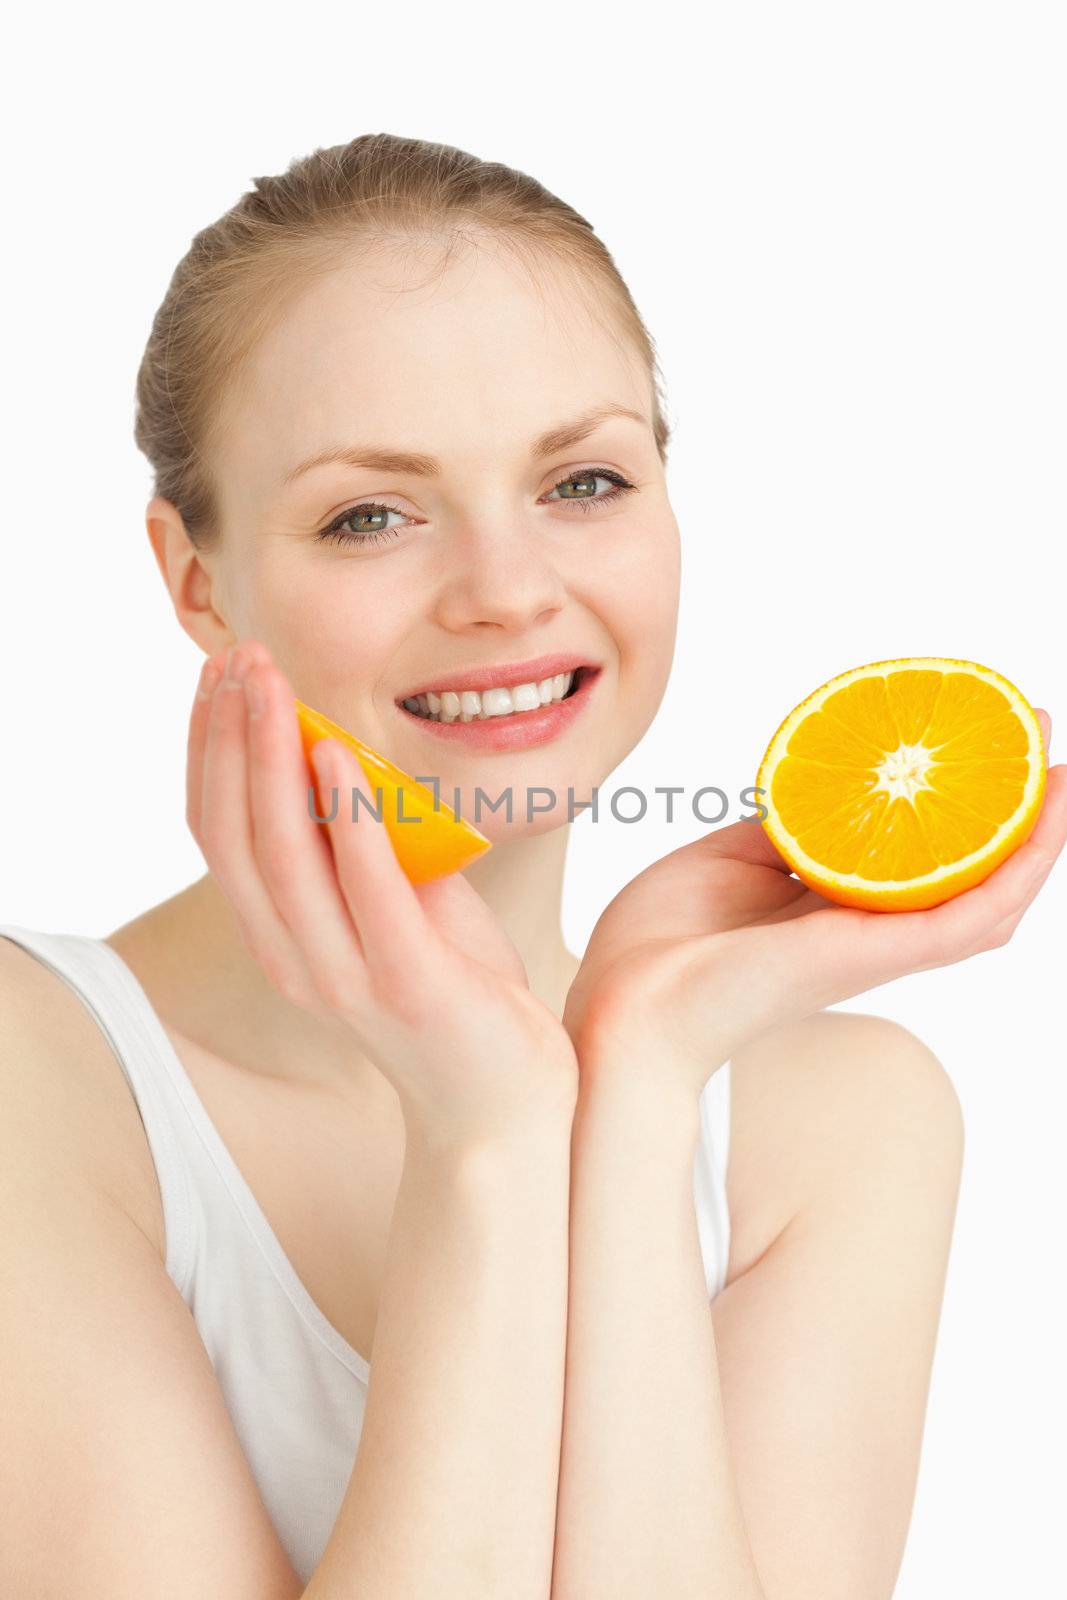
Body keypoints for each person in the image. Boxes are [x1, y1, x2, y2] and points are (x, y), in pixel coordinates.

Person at [1, 132, 1063, 1600]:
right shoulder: (35, 1076)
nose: (508, 590)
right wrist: (489, 1134)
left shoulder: (841, 1126)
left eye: (583, 480)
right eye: (371, 512)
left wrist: (629, 1092)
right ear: (196, 580)